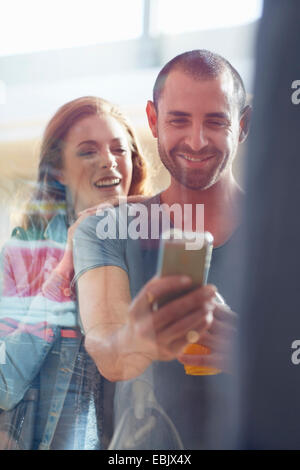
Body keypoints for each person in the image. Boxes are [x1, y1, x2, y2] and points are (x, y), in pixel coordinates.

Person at [73, 50, 251, 449]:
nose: (196, 140)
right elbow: (105, 348)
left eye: (216, 121)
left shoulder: (284, 229)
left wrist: (261, 353)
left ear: (242, 125)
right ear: (153, 120)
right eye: (179, 120)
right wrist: (137, 338)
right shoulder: (106, 229)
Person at [0, 96, 148, 450]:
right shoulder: (21, 258)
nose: (109, 161)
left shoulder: (156, 248)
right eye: (88, 151)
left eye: (119, 149)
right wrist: (64, 272)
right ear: (59, 172)